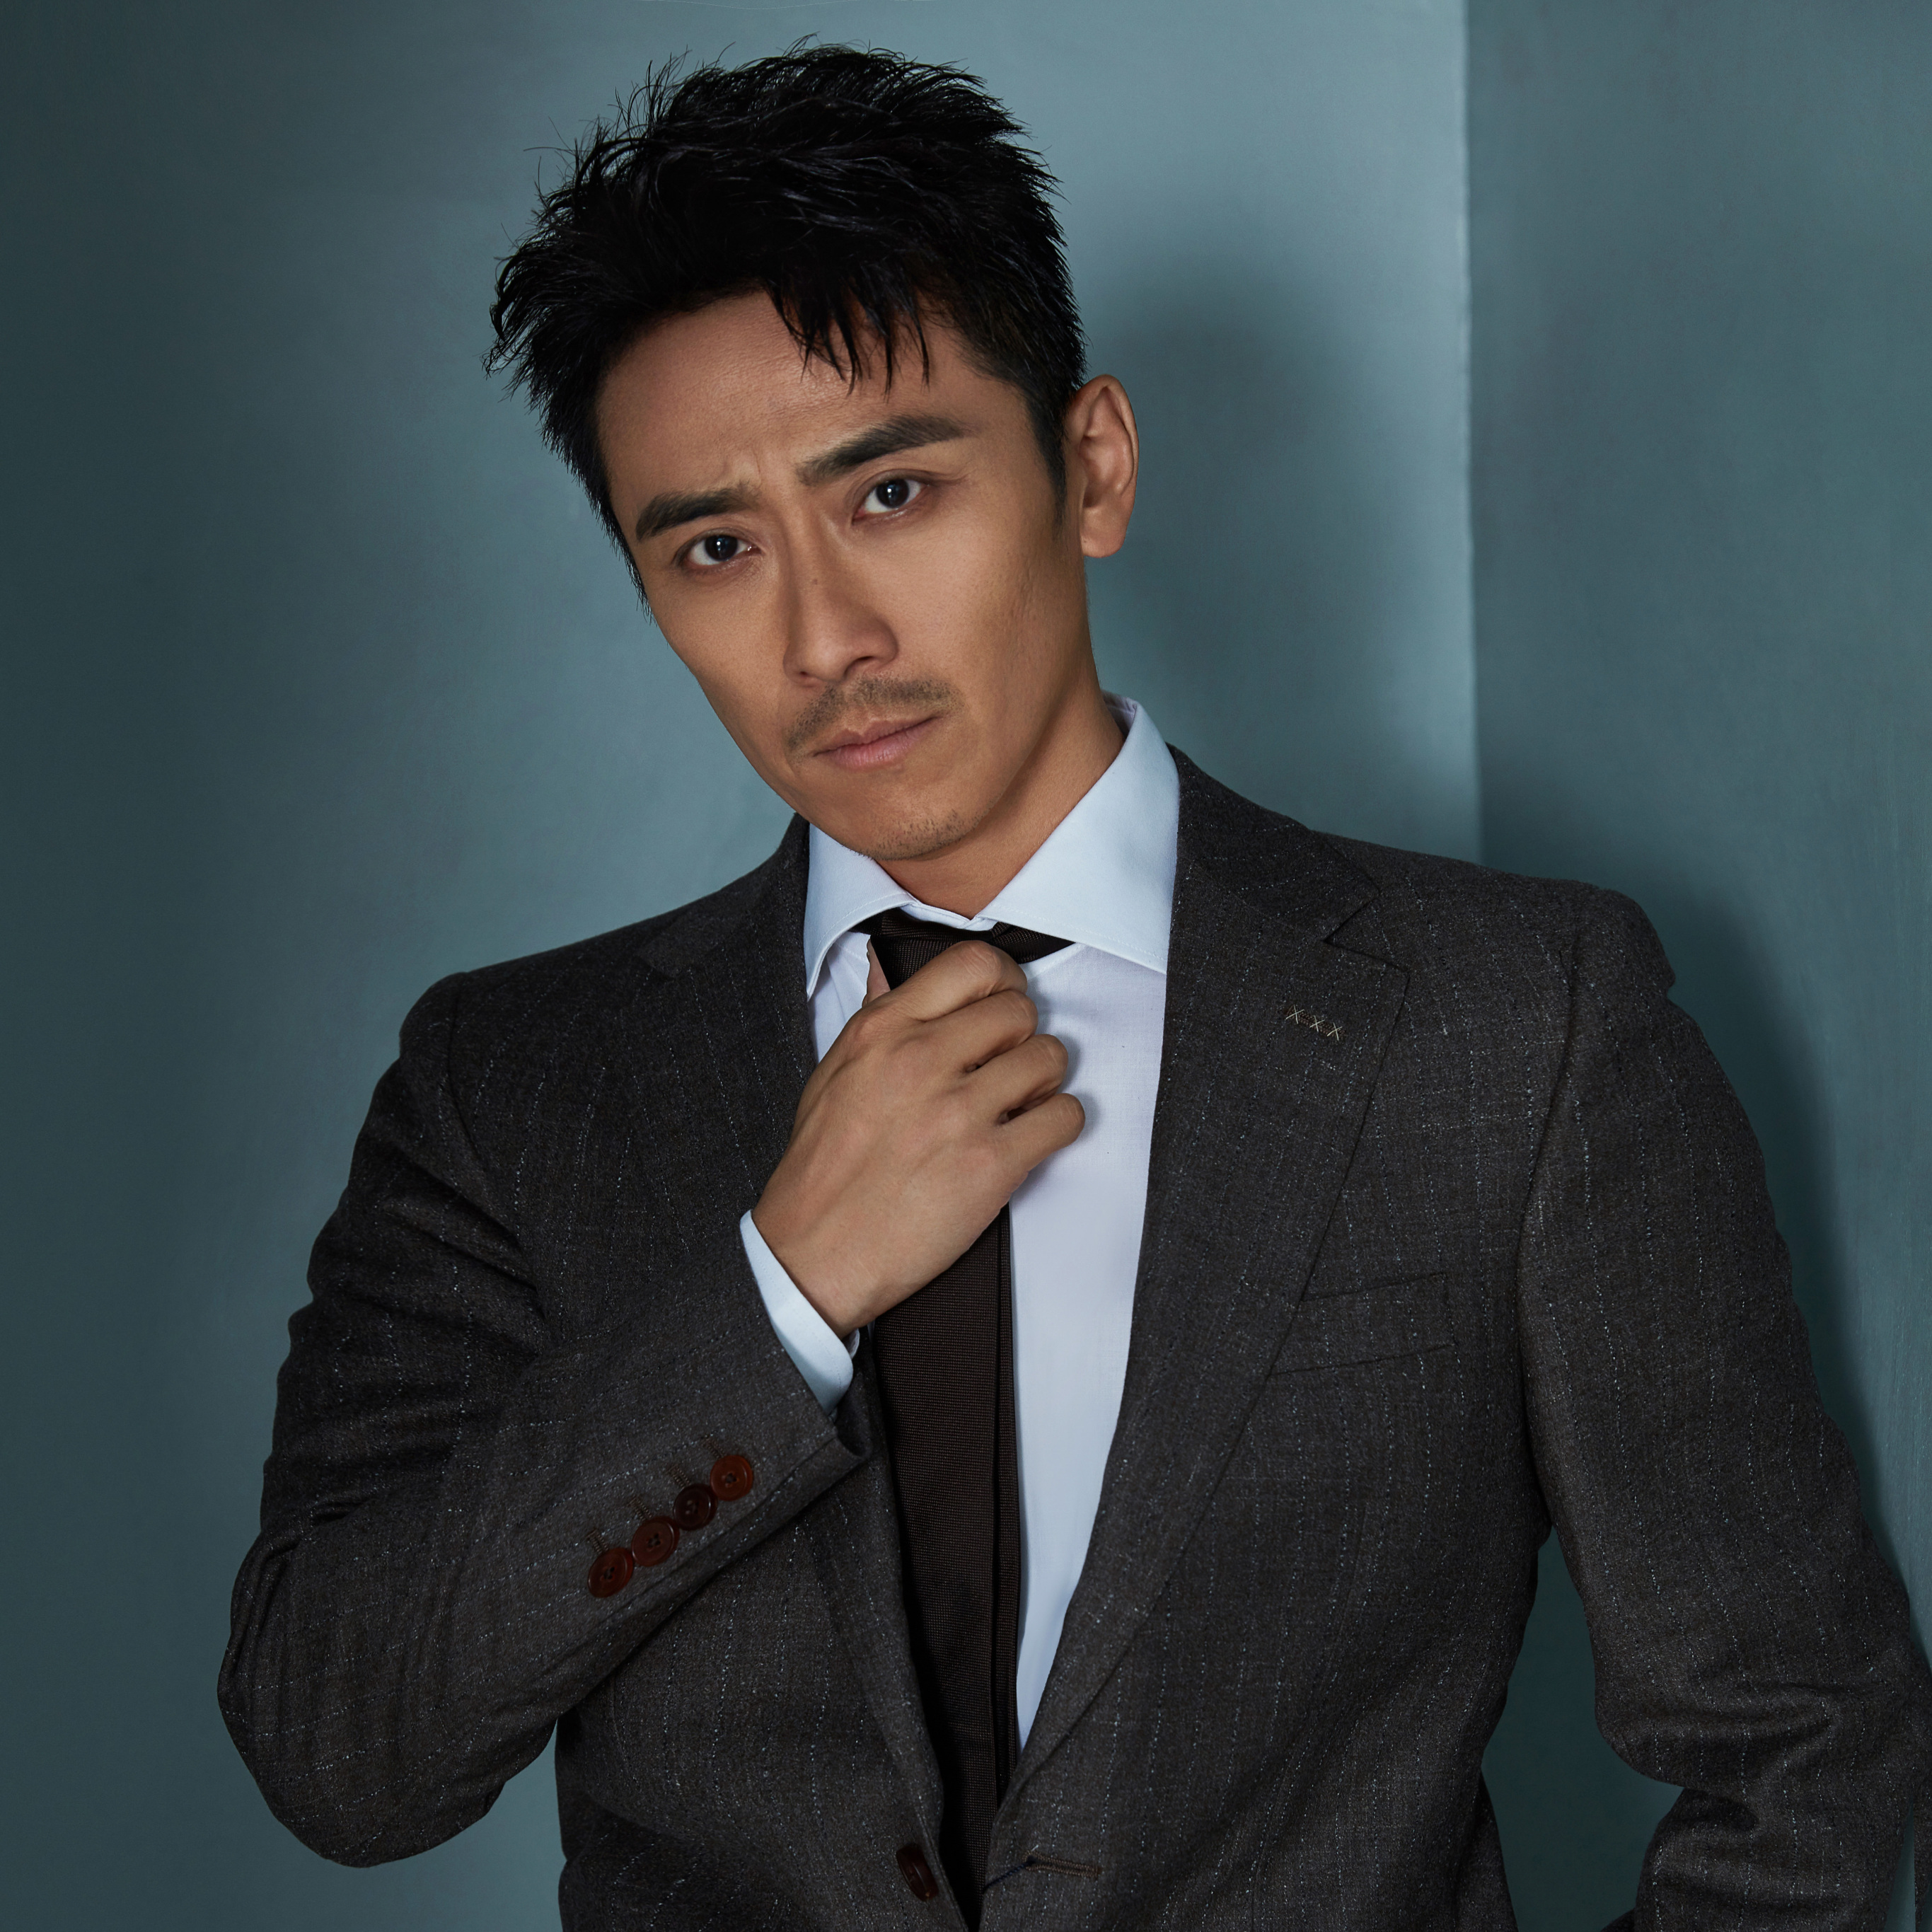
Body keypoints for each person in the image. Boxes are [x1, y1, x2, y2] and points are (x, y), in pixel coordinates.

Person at [220, 45, 1932, 1930]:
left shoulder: (1514, 1026)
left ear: (1090, 465)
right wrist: (780, 1292)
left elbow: (1801, 1744)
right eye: (714, 547)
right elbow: (334, 1747)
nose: (822, 636)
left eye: (891, 491)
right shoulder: (510, 1085)